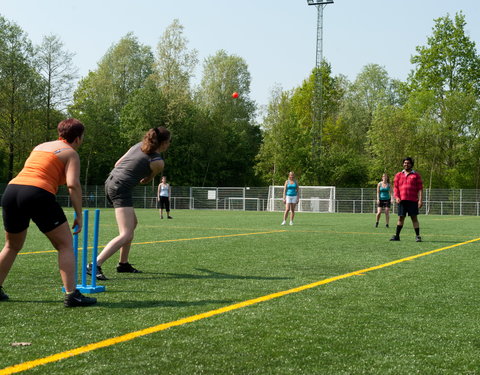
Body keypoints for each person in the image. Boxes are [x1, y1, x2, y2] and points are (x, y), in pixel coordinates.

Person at [0, 118, 96, 307]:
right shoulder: (71, 153)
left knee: (11, 245)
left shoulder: (40, 146)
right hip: (36, 193)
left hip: (12, 191)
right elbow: (72, 184)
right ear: (77, 138)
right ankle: (72, 295)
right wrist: (79, 214)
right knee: (65, 245)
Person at [88, 127, 171, 280]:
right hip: (121, 188)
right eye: (169, 142)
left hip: (110, 182)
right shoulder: (158, 161)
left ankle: (123, 264)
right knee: (126, 233)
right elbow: (146, 179)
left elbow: (117, 163)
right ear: (164, 143)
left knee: (132, 224)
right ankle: (94, 264)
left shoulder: (137, 145)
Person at [390, 157, 423, 242]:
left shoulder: (416, 175)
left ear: (411, 164)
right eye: (405, 163)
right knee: (401, 218)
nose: (406, 164)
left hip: (413, 200)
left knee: (414, 218)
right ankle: (397, 236)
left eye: (408, 163)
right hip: (402, 200)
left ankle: (418, 236)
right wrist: (396, 197)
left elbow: (420, 189)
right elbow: (396, 188)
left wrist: (420, 200)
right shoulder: (398, 175)